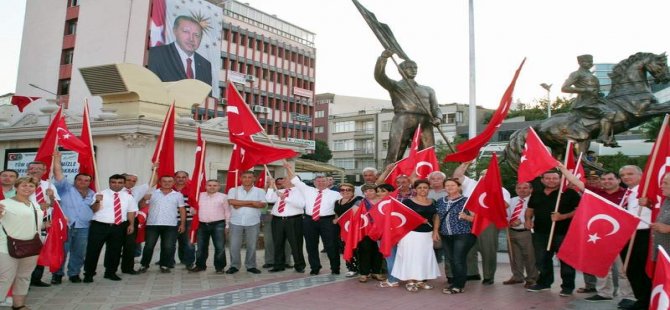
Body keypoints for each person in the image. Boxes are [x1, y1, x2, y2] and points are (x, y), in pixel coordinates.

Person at [559, 166, 634, 303]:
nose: (607, 181)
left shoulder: (628, 194)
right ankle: (604, 293)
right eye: (604, 179)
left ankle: (627, 296)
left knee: (623, 270)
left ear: (618, 180)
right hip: (600, 237)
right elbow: (576, 181)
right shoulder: (596, 193)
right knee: (601, 267)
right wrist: (562, 169)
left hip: (621, 238)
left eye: (610, 179)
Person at [375, 49, 442, 165]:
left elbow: (436, 108)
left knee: (427, 153)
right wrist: (383, 59)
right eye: (409, 68)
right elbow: (380, 76)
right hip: (403, 119)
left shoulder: (428, 89)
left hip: (425, 122)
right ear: (401, 70)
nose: (413, 70)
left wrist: (438, 118)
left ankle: (425, 179)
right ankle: (388, 178)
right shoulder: (395, 86)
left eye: (415, 68)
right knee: (395, 151)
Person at [454, 162, 511, 285]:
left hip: (487, 222)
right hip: (468, 220)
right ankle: (472, 273)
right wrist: (466, 163)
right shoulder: (472, 184)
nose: (485, 176)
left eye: (489, 174)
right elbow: (457, 176)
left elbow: (504, 205)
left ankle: (488, 276)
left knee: (488, 250)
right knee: (468, 249)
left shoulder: (501, 190)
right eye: (483, 174)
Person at [525, 171, 580, 296]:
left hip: (562, 233)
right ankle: (544, 283)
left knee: (566, 261)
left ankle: (567, 287)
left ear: (560, 179)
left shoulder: (569, 193)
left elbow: (579, 210)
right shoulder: (536, 193)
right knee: (542, 260)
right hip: (540, 233)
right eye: (548, 178)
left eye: (554, 178)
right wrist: (528, 220)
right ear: (542, 180)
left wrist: (563, 216)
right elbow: (530, 209)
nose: (551, 180)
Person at [285, 162, 342, 275]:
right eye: (318, 181)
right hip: (309, 220)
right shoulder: (307, 190)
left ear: (328, 182)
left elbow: (341, 207)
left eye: (323, 181)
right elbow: (295, 180)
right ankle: (315, 267)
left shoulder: (335, 194)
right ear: (314, 182)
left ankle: (335, 268)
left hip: (328, 221)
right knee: (311, 245)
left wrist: (337, 219)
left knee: (331, 245)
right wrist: (288, 168)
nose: (320, 183)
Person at [83, 174, 137, 283]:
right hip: (99, 226)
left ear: (123, 183)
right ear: (109, 183)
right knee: (93, 250)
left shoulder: (128, 196)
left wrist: (131, 224)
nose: (116, 185)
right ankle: (89, 274)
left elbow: (131, 211)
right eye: (113, 182)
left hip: (118, 226)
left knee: (115, 251)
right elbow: (93, 210)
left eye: (120, 182)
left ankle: (110, 272)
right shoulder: (100, 194)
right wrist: (97, 201)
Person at [50, 153, 95, 284]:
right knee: (62, 251)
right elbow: (58, 174)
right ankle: (57, 274)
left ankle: (74, 273)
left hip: (83, 227)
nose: (83, 182)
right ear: (75, 181)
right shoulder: (66, 189)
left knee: (79, 252)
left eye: (86, 180)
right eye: (80, 180)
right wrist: (57, 160)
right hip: (65, 226)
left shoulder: (93, 194)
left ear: (90, 182)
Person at [0, 176, 42, 310]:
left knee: (24, 277)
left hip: (31, 246)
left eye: (31, 186)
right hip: (7, 247)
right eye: (24, 185)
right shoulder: (4, 203)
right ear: (16, 187)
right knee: (5, 278)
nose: (28, 188)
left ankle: (19, 305)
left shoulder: (35, 204)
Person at [393, 179, 441, 292]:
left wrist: (435, 231)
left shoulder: (433, 202)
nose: (422, 190)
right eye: (420, 188)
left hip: (427, 235)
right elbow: (400, 218)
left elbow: (436, 217)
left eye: (425, 187)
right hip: (410, 234)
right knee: (410, 257)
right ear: (415, 189)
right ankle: (410, 281)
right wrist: (417, 221)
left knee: (423, 258)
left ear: (429, 189)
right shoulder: (407, 202)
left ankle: (420, 280)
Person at [561, 54, 618, 147]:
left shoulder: (590, 74)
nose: (590, 63)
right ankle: (603, 136)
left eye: (591, 61)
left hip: (596, 101)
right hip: (585, 103)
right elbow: (564, 88)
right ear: (580, 62)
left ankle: (609, 135)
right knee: (609, 113)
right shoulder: (576, 74)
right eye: (587, 61)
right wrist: (585, 90)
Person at [620, 165, 653, 310]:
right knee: (630, 270)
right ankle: (641, 299)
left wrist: (650, 203)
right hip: (627, 235)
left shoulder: (647, 191)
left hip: (643, 235)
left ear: (641, 175)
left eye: (630, 174)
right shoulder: (627, 193)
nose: (626, 177)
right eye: (623, 175)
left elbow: (659, 207)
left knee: (641, 270)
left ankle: (646, 301)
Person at [138, 176, 186, 274]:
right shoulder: (152, 193)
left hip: (171, 225)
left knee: (168, 247)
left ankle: (164, 265)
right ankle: (144, 265)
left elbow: (182, 210)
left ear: (173, 183)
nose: (167, 183)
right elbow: (141, 206)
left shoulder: (178, 195)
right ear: (160, 182)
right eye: (164, 181)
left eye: (169, 181)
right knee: (149, 246)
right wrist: (143, 199)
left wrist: (182, 224)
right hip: (153, 224)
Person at [436, 178, 476, 294]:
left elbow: (477, 219)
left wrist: (466, 217)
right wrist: (435, 231)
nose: (449, 187)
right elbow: (438, 216)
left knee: (458, 259)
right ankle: (455, 282)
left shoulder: (467, 201)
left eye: (452, 185)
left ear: (459, 187)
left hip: (462, 234)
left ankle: (459, 285)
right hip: (446, 235)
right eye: (447, 185)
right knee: (451, 259)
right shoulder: (440, 201)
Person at [148, 15, 212, 85]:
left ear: (201, 38)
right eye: (186, 32)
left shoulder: (206, 65)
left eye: (196, 35)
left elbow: (207, 94)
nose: (191, 39)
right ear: (175, 31)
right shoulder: (157, 54)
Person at [26, 161, 60, 288]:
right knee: (27, 253)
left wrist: (51, 198)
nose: (35, 170)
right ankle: (24, 281)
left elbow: (55, 204)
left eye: (38, 169)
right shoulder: (22, 184)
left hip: (45, 222)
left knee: (41, 251)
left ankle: (36, 278)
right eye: (32, 168)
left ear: (44, 171)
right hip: (27, 221)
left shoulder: (49, 185)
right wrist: (36, 207)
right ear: (28, 170)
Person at [226, 171, 266, 275]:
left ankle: (251, 266)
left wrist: (240, 203)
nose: (247, 179)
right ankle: (234, 266)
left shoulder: (260, 191)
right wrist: (252, 202)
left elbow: (262, 205)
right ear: (240, 178)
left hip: (253, 222)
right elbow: (232, 202)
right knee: (234, 246)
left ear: (254, 179)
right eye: (244, 177)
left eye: (250, 177)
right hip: (235, 222)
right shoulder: (233, 190)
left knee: (252, 245)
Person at [266, 177, 305, 273]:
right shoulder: (281, 190)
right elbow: (269, 199)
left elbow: (301, 205)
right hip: (277, 220)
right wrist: (271, 186)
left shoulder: (300, 191)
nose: (282, 181)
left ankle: (299, 265)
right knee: (278, 243)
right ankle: (279, 265)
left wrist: (285, 198)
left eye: (285, 179)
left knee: (296, 243)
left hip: (293, 220)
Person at [190, 180, 230, 274]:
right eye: (210, 185)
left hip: (218, 224)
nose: (212, 187)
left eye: (215, 185)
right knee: (201, 247)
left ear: (219, 187)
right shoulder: (199, 195)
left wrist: (227, 225)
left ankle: (219, 267)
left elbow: (227, 212)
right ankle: (200, 265)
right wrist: (193, 210)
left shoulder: (224, 197)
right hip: (202, 225)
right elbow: (193, 208)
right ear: (205, 186)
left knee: (219, 247)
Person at [503, 182, 538, 288]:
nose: (522, 190)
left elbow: (536, 214)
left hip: (526, 232)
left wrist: (522, 220)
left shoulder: (535, 200)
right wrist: (507, 220)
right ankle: (517, 276)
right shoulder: (512, 200)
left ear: (531, 189)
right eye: (519, 188)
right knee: (514, 256)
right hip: (511, 231)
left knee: (529, 256)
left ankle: (532, 278)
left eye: (525, 188)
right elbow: (506, 213)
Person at [355, 184, 385, 283]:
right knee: (364, 251)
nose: (368, 193)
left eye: (371, 190)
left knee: (379, 252)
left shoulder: (383, 201)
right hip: (365, 231)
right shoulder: (360, 202)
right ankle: (364, 273)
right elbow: (352, 214)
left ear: (376, 191)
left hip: (380, 230)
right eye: (366, 191)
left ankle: (376, 272)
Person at [261, 177, 293, 270]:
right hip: (269, 217)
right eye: (277, 183)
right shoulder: (269, 191)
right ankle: (270, 261)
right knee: (269, 240)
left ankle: (287, 261)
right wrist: (269, 185)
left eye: (282, 183)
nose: (279, 185)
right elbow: (265, 202)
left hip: (285, 218)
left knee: (287, 241)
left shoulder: (290, 192)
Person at [333, 183, 363, 278]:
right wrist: (335, 219)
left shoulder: (358, 200)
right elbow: (337, 214)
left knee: (356, 248)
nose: (345, 192)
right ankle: (351, 268)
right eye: (342, 190)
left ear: (352, 191)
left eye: (348, 190)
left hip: (354, 228)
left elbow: (356, 213)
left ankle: (361, 267)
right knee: (345, 248)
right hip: (341, 229)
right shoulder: (337, 202)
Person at [174, 171, 195, 270]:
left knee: (188, 241)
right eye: (178, 177)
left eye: (183, 177)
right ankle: (171, 260)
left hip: (189, 219)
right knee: (172, 241)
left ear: (187, 178)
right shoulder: (170, 188)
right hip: (172, 219)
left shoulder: (193, 189)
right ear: (175, 178)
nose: (181, 179)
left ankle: (189, 262)